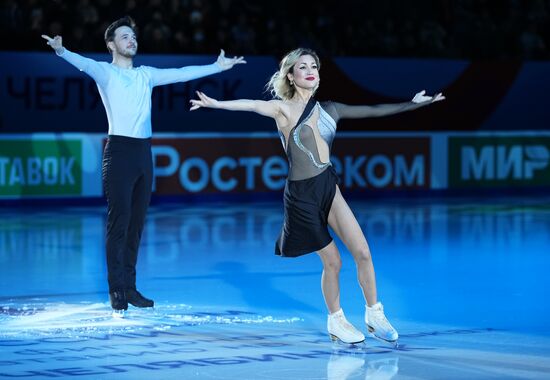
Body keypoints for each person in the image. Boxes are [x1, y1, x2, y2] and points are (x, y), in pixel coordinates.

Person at [189, 48, 444, 344]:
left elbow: (373, 111)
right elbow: (253, 105)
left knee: (362, 251)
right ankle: (336, 320)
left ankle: (374, 314)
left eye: (314, 66)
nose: (310, 70)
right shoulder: (283, 109)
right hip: (301, 197)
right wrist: (217, 103)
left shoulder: (330, 109)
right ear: (291, 75)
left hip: (327, 185)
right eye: (303, 67)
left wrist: (412, 104)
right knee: (333, 262)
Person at [42, 16, 245, 313]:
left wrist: (217, 66)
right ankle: (116, 289)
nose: (131, 40)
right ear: (112, 44)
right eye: (125, 36)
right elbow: (82, 62)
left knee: (136, 226)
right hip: (119, 153)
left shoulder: (145, 74)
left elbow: (180, 73)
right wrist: (62, 51)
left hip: (143, 153)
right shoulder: (106, 72)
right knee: (119, 222)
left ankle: (130, 287)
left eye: (133, 36)